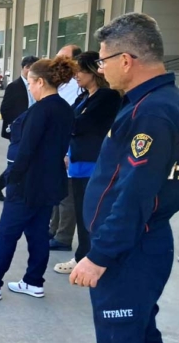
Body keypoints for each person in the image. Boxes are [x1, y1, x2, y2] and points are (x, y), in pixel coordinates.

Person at [69, 13, 179, 343]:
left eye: (103, 60)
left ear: (127, 60)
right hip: (137, 244)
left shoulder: (152, 113)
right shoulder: (151, 103)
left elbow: (135, 194)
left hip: (130, 251)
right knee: (140, 341)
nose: (101, 69)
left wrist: (99, 255)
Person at [0, 56, 76, 300]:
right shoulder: (64, 108)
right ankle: (33, 281)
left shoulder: (40, 110)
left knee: (7, 233)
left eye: (31, 83)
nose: (30, 87)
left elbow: (26, 149)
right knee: (38, 234)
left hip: (27, 183)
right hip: (49, 182)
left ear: (40, 82)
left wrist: (12, 179)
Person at [53, 52, 121, 274]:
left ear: (93, 71)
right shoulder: (84, 97)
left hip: (93, 163)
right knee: (82, 212)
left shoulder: (107, 97)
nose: (77, 76)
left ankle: (86, 258)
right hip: (77, 161)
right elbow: (71, 123)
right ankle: (83, 255)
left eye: (81, 71)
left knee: (91, 214)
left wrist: (68, 126)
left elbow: (79, 125)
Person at [0, 55, 39, 202]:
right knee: (18, 162)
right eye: (31, 68)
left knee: (23, 161)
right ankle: (1, 187)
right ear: (25, 68)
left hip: (32, 129)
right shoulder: (14, 86)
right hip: (19, 131)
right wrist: (16, 127)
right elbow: (5, 109)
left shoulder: (37, 85)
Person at [48, 44, 83, 251]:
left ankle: (63, 237)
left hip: (70, 149)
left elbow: (72, 121)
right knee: (57, 192)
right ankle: (53, 229)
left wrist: (67, 150)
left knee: (67, 197)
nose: (58, 61)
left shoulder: (79, 88)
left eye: (63, 57)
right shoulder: (61, 84)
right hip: (58, 145)